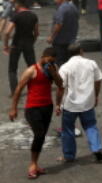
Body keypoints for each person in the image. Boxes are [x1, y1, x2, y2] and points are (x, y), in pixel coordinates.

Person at [8, 46, 63, 179]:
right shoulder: (31, 70)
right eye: (49, 61)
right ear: (43, 57)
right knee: (39, 134)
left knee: (42, 136)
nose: (50, 63)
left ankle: (36, 164)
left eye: (52, 61)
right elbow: (19, 89)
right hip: (32, 108)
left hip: (47, 107)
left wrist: (53, 72)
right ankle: (32, 165)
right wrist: (13, 108)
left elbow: (60, 84)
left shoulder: (52, 68)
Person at [57, 43, 102, 164]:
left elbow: (60, 87)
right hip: (87, 102)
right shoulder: (91, 63)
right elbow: (98, 80)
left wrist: (58, 103)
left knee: (68, 130)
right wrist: (96, 95)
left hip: (70, 104)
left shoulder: (65, 67)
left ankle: (69, 155)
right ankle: (97, 149)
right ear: (81, 51)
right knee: (90, 126)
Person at [5, 0, 39, 93]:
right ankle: (34, 87)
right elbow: (36, 33)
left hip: (16, 43)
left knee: (12, 68)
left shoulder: (16, 16)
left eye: (15, 4)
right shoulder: (33, 15)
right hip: (28, 42)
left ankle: (15, 91)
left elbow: (7, 32)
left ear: (19, 4)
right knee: (32, 66)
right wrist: (33, 42)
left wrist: (6, 45)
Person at [50, 0, 79, 66]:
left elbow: (59, 24)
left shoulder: (61, 9)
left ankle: (62, 76)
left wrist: (52, 37)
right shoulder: (73, 7)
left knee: (60, 61)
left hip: (60, 41)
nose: (55, 0)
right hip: (71, 39)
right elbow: (77, 18)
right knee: (70, 61)